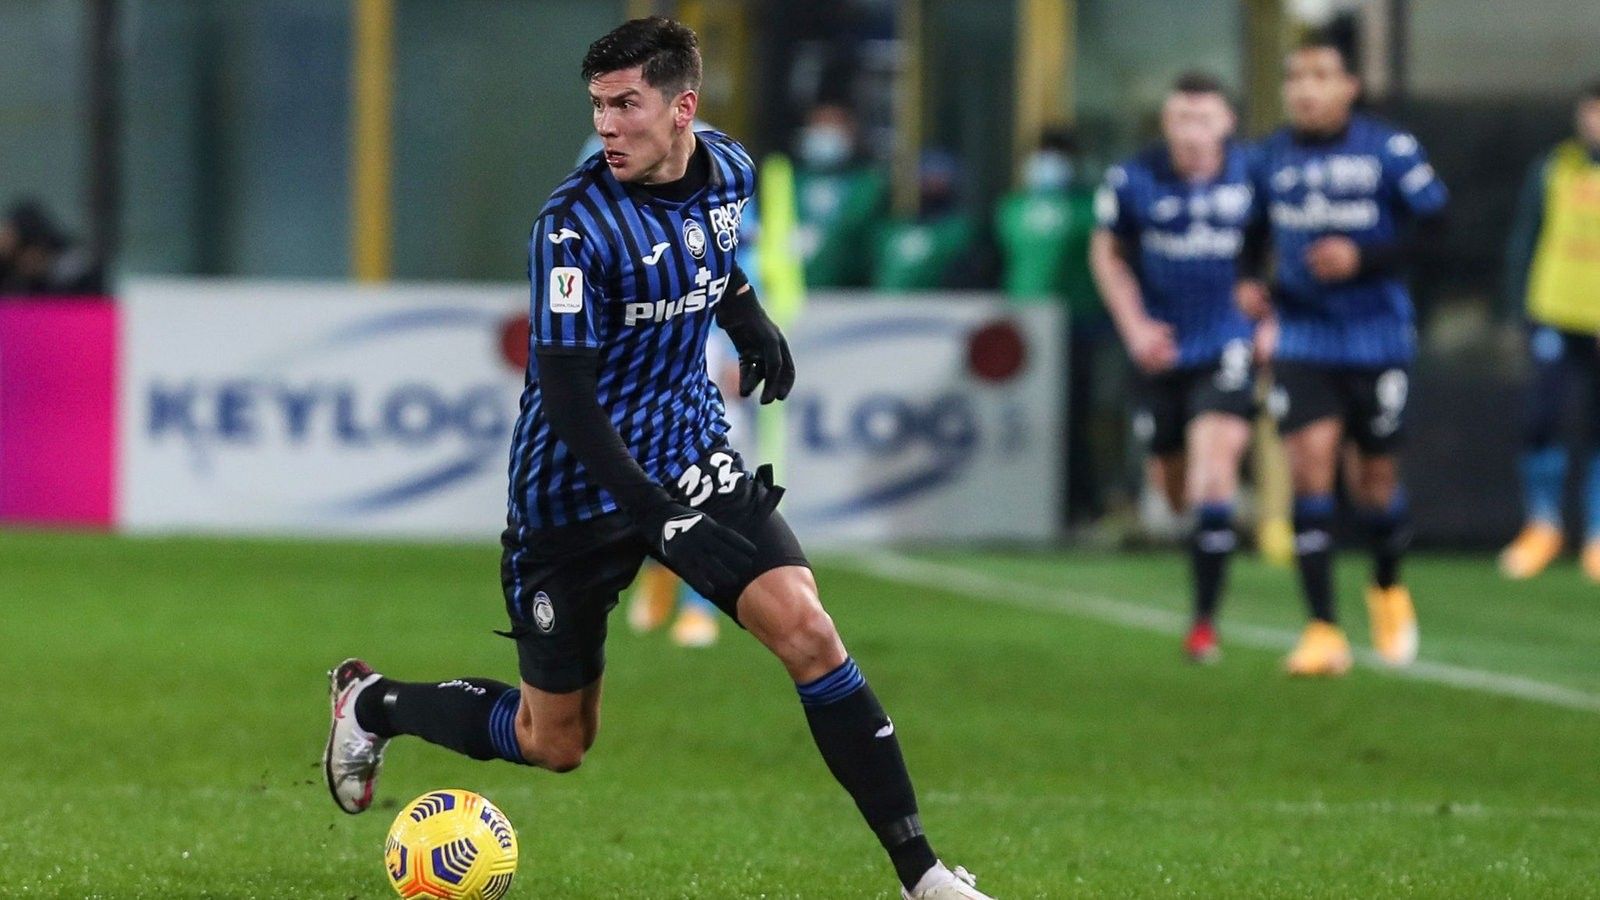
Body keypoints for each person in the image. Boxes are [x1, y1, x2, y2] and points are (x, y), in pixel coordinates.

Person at [323, 18, 992, 899]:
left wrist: (745, 316)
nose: (606, 125)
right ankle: (372, 703)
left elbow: (712, 255)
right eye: (598, 106)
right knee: (554, 741)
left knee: (808, 631)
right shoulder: (572, 227)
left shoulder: (731, 170)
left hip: (688, 452)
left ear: (682, 109)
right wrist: (654, 516)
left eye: (626, 105)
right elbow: (566, 393)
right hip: (572, 493)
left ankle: (924, 877)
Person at [1237, 34, 1447, 676]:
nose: (1305, 89)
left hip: (1377, 335)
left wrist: (1363, 257)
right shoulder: (1268, 157)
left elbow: (1436, 227)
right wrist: (1248, 283)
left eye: (1320, 76)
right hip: (1303, 336)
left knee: (1374, 484)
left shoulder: (1390, 149)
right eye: (1295, 77)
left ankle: (1386, 585)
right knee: (1310, 469)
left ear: (1350, 86)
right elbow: (1250, 235)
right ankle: (1322, 629)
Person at [1090, 73, 1258, 663]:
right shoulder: (1133, 178)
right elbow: (1107, 253)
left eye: (1203, 119)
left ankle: (1204, 624)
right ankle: (1204, 523)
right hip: (1161, 348)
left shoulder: (1255, 175)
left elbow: (1282, 246)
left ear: (1227, 123)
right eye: (1181, 119)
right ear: (1166, 123)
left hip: (1227, 342)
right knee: (1175, 489)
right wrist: (1135, 327)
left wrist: (1272, 315)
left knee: (1215, 475)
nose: (1191, 133)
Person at [1498, 80, 1600, 581]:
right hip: (1554, 313)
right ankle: (1543, 524)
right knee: (1542, 418)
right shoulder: (1555, 166)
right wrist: (1518, 312)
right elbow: (1526, 238)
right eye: (1592, 111)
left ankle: (1598, 535)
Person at [793, 101, 888, 288]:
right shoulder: (790, 180)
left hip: (848, 291)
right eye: (819, 126)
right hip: (790, 288)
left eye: (832, 126)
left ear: (850, 133)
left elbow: (859, 234)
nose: (824, 134)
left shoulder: (867, 183)